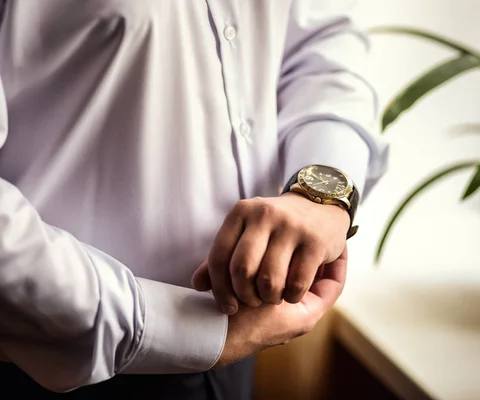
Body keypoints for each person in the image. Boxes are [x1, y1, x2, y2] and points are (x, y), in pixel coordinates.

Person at [0, 1, 388, 399]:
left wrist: (320, 194)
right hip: (45, 365)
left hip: (242, 344)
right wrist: (190, 332)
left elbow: (319, 44)